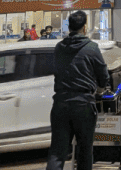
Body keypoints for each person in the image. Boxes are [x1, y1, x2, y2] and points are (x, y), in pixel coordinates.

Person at [45, 10, 110, 170]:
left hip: (60, 104)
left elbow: (56, 71)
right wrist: (100, 90)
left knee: (57, 153)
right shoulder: (91, 48)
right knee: (84, 151)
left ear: (70, 27)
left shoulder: (59, 47)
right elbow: (103, 75)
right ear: (85, 27)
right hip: (83, 106)